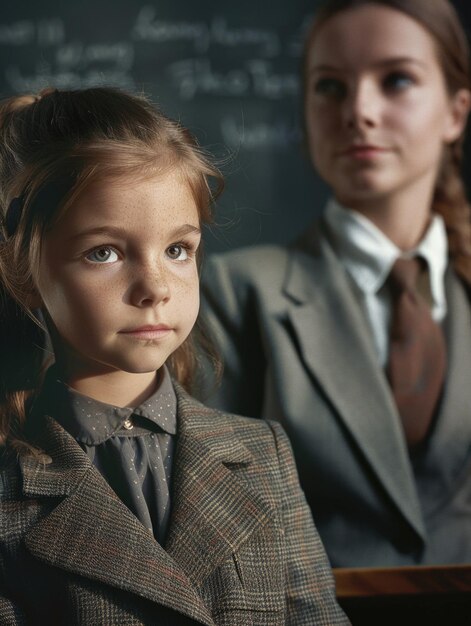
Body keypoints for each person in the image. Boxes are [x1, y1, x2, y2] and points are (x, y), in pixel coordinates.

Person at [0, 87, 348, 625]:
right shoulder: (9, 488)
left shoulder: (263, 455)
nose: (155, 286)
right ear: (27, 276)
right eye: (105, 252)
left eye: (177, 249)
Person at [200, 0, 471, 568]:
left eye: (396, 79)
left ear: (456, 112)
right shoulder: (233, 290)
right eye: (329, 87)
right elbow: (213, 524)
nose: (359, 111)